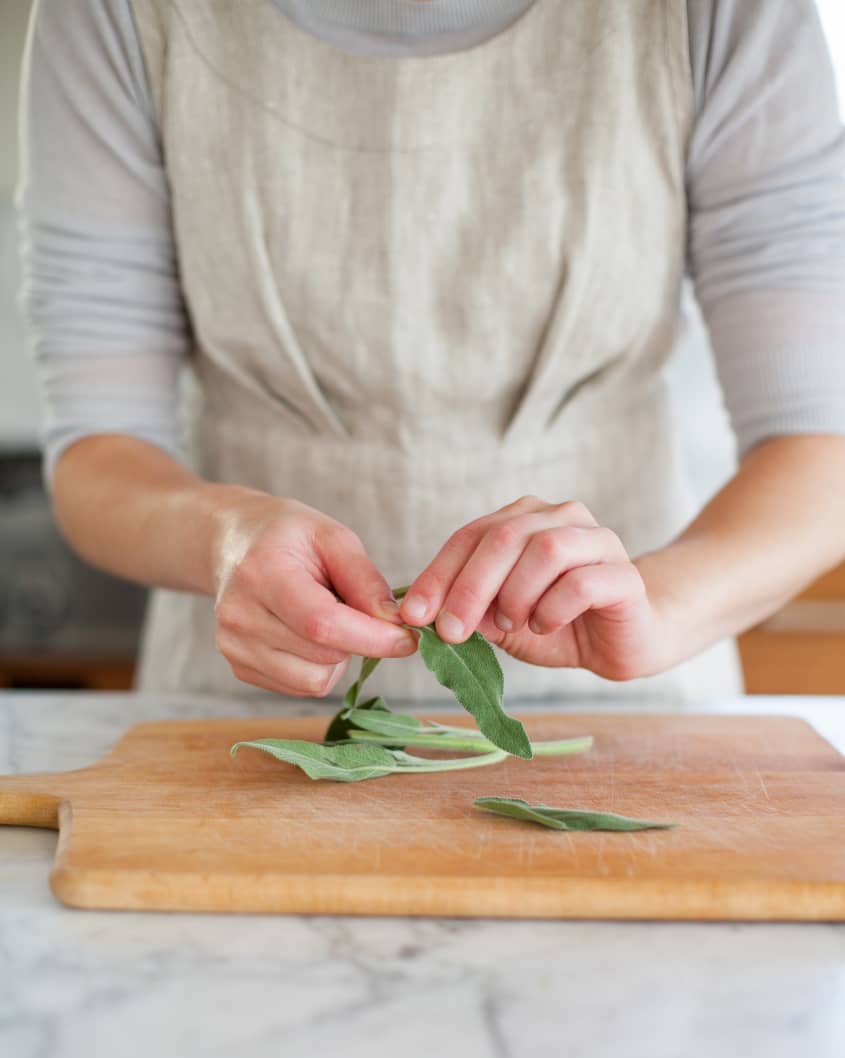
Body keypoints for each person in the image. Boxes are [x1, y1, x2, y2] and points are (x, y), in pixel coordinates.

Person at [16, 0, 845, 706]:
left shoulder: (727, 13)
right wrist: (222, 538)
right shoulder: (111, 14)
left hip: (637, 705)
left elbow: (822, 446)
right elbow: (99, 451)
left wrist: (660, 606)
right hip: (246, 710)